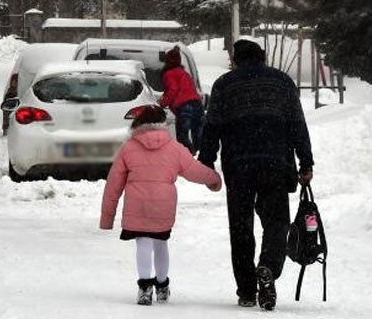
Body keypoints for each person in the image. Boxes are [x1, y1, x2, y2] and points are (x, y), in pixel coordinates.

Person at [198, 39, 314, 311]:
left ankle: (247, 291)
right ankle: (268, 267)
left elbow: (212, 126)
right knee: (276, 221)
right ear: (262, 57)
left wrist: (206, 161)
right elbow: (298, 123)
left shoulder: (224, 85)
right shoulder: (282, 82)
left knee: (240, 227)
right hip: (275, 163)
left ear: (236, 60)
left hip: (238, 165)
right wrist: (305, 161)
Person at [100, 105, 222, 306]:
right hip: (163, 205)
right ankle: (163, 287)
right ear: (162, 123)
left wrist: (107, 217)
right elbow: (194, 170)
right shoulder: (174, 147)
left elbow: (113, 183)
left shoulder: (128, 147)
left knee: (143, 243)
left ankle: (145, 288)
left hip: (137, 204)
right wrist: (213, 179)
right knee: (160, 243)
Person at [158, 47, 204, 154]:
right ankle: (200, 156)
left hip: (184, 106)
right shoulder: (184, 72)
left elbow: (172, 90)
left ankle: (189, 154)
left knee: (182, 137)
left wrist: (162, 103)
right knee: (198, 135)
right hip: (197, 104)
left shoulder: (168, 74)